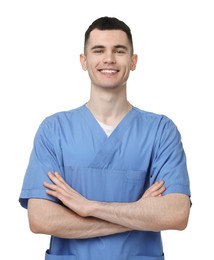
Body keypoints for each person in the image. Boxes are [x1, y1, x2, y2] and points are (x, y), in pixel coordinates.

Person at [19, 16, 191, 260]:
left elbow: (176, 213)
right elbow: (40, 218)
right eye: (98, 50)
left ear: (133, 61)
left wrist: (90, 207)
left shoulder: (161, 131)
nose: (109, 59)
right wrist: (137, 215)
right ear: (84, 60)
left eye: (119, 51)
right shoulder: (54, 130)